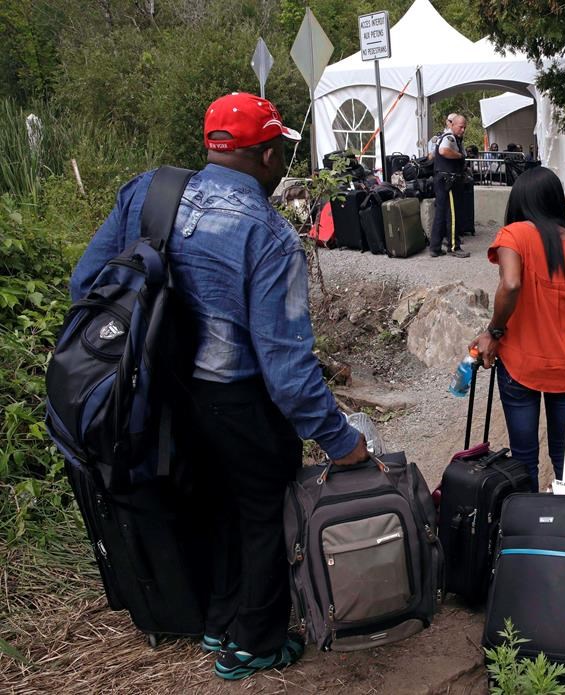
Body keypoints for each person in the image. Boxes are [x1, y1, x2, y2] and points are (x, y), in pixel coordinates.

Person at [69, 92, 369, 680]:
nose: (281, 162)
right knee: (260, 510)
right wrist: (341, 440)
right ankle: (254, 644)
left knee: (210, 502)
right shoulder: (269, 235)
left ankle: (217, 620)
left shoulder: (146, 192)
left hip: (158, 392)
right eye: (278, 151)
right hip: (233, 398)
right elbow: (286, 370)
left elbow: (88, 282)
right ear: (262, 156)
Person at [471, 167, 565, 492]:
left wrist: (493, 331)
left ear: (520, 200)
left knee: (524, 457)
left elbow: (511, 284)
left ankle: (528, 532)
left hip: (519, 365)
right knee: (564, 455)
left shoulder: (513, 235)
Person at [429, 114, 471, 258]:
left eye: (464, 127)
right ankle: (454, 247)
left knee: (440, 214)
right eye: (460, 127)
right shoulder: (449, 138)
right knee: (452, 214)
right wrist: (459, 156)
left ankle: (435, 247)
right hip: (449, 181)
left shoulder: (448, 137)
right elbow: (443, 151)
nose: (463, 130)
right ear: (452, 125)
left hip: (442, 179)